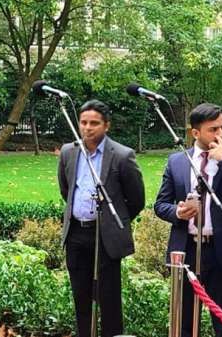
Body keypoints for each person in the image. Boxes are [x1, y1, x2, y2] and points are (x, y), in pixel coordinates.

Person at [154, 103, 222, 337]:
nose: (220, 134)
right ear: (195, 133)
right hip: (186, 248)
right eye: (213, 130)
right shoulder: (177, 162)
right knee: (184, 322)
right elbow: (160, 205)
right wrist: (178, 212)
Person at [58, 100, 145, 337]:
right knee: (81, 295)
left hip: (105, 236)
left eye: (94, 123)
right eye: (84, 122)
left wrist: (110, 222)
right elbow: (66, 190)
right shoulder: (69, 151)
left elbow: (136, 200)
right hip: (76, 233)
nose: (87, 128)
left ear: (106, 125)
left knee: (108, 297)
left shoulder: (122, 156)